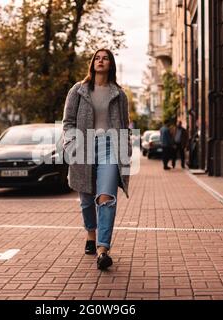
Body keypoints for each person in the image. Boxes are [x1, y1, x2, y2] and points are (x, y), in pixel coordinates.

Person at [61, 48, 132, 270]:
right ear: (92, 64)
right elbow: (68, 122)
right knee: (86, 199)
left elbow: (125, 125)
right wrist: (72, 145)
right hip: (83, 146)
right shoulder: (78, 90)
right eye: (97, 58)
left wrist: (125, 148)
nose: (101, 61)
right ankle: (90, 235)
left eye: (106, 59)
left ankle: (103, 250)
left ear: (111, 65)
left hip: (110, 147)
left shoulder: (119, 94)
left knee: (106, 197)